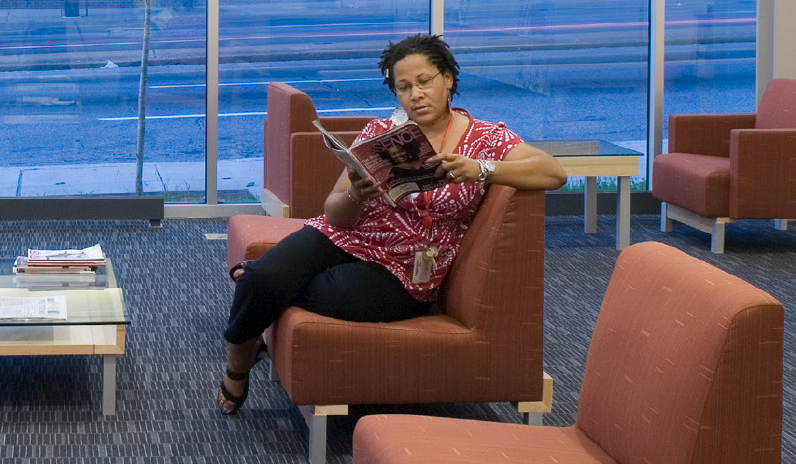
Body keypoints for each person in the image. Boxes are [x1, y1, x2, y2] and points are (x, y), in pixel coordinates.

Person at [216, 32, 566, 414]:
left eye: (424, 82)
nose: (415, 94)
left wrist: (481, 169)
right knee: (262, 279)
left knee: (319, 291)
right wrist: (356, 193)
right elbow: (334, 212)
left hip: (406, 268)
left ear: (447, 79)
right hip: (346, 235)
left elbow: (553, 171)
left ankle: (263, 293)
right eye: (403, 87)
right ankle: (238, 367)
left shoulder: (484, 138)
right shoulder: (380, 134)